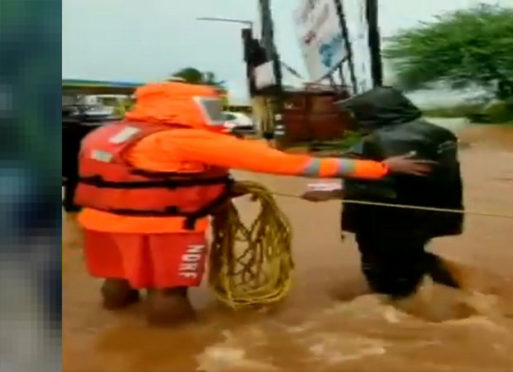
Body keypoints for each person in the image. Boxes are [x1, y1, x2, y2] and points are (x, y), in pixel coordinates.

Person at [73, 82, 436, 325]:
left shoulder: (107, 132)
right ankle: (175, 351)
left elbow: (146, 176)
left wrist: (219, 189)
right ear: (191, 107)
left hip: (99, 221)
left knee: (118, 281)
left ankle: (120, 339)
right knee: (168, 291)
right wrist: (382, 167)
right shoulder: (186, 139)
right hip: (163, 227)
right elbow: (292, 164)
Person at [303, 87, 464, 299]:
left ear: (374, 113)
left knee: (387, 280)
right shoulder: (439, 133)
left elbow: (388, 188)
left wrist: (334, 193)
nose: (353, 118)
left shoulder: (383, 140)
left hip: (387, 222)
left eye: (356, 113)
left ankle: (404, 321)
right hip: (427, 217)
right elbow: (416, 183)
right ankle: (454, 290)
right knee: (411, 258)